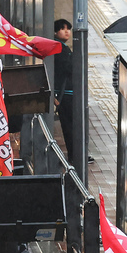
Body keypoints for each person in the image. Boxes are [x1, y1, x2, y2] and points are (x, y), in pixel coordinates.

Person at [51, 18, 75, 154]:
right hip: (66, 93)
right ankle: (74, 154)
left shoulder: (62, 48)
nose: (67, 31)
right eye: (63, 28)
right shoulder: (60, 49)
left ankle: (74, 153)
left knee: (69, 124)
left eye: (68, 29)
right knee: (70, 125)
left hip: (64, 92)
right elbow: (68, 68)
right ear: (55, 32)